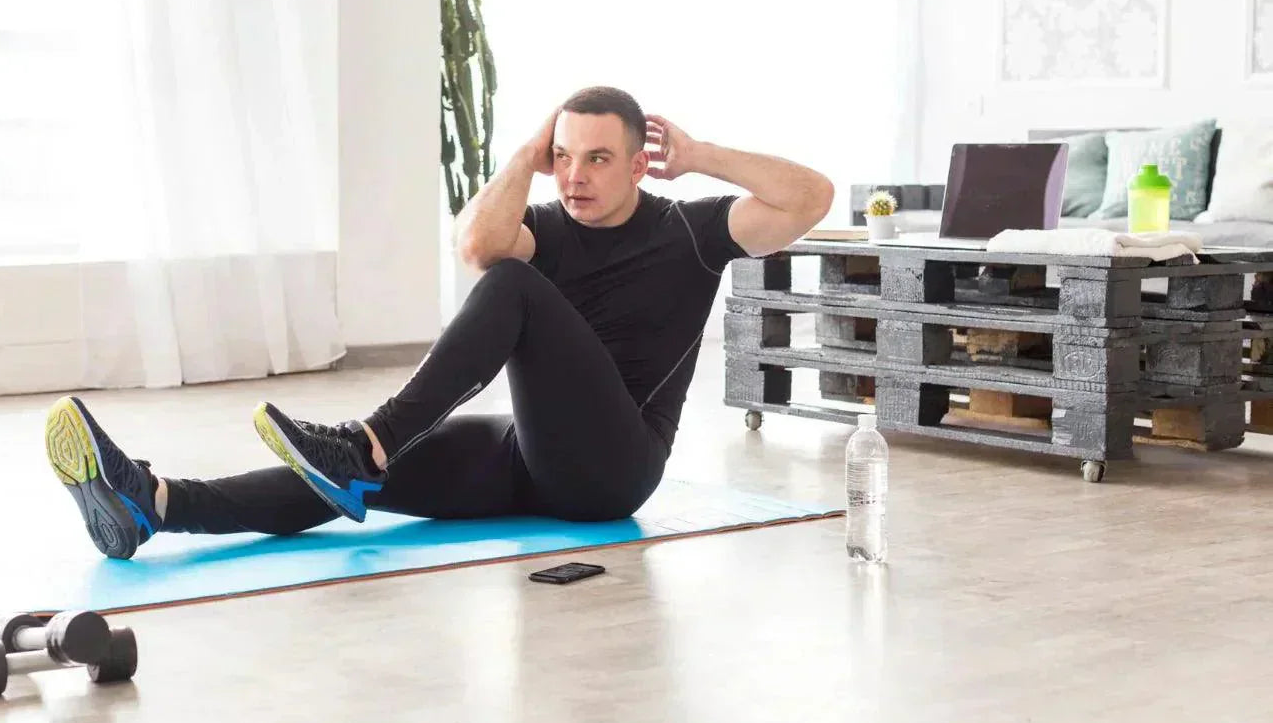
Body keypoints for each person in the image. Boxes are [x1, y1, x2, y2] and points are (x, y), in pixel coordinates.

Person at [46, 86, 834, 559]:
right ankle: (156, 504)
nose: (574, 175)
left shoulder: (690, 232)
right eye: (564, 156)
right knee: (360, 479)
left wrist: (700, 154)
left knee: (513, 288)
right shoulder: (545, 225)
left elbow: (811, 198)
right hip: (534, 455)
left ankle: (366, 441)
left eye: (597, 158)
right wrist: (525, 156)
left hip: (614, 472)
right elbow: (476, 246)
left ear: (638, 164)